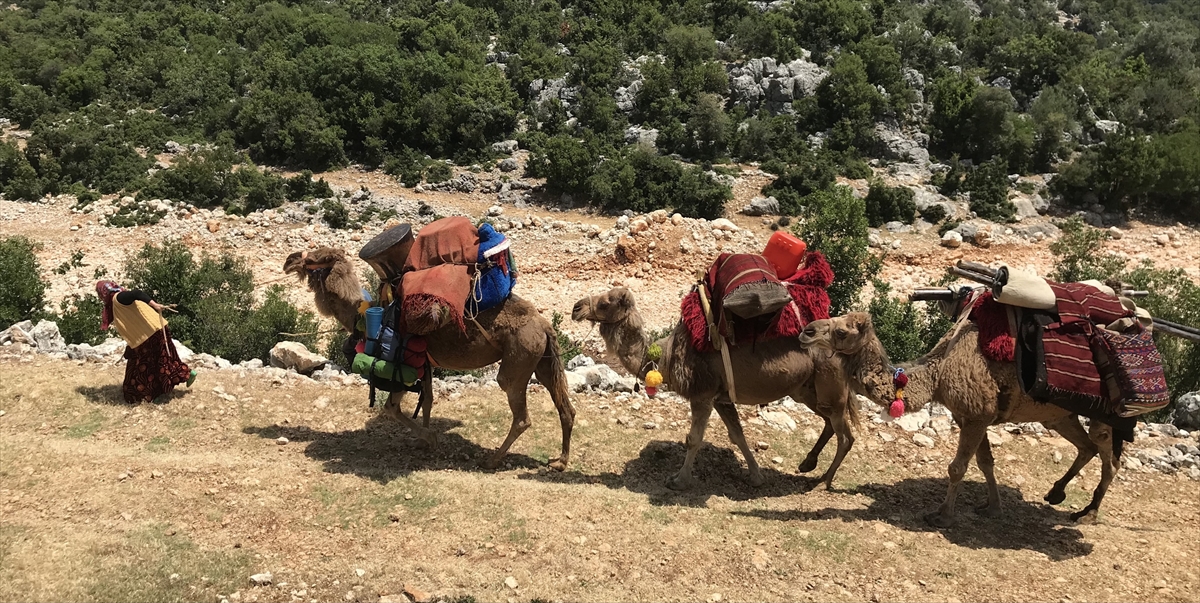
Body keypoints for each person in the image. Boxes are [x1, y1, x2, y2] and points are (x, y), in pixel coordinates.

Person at [96, 281, 196, 403]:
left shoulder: (119, 298)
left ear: (104, 293)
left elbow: (137, 293)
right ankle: (185, 374)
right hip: (147, 334)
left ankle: (153, 394)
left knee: (151, 365)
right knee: (157, 360)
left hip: (150, 333)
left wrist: (155, 305)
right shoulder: (115, 303)